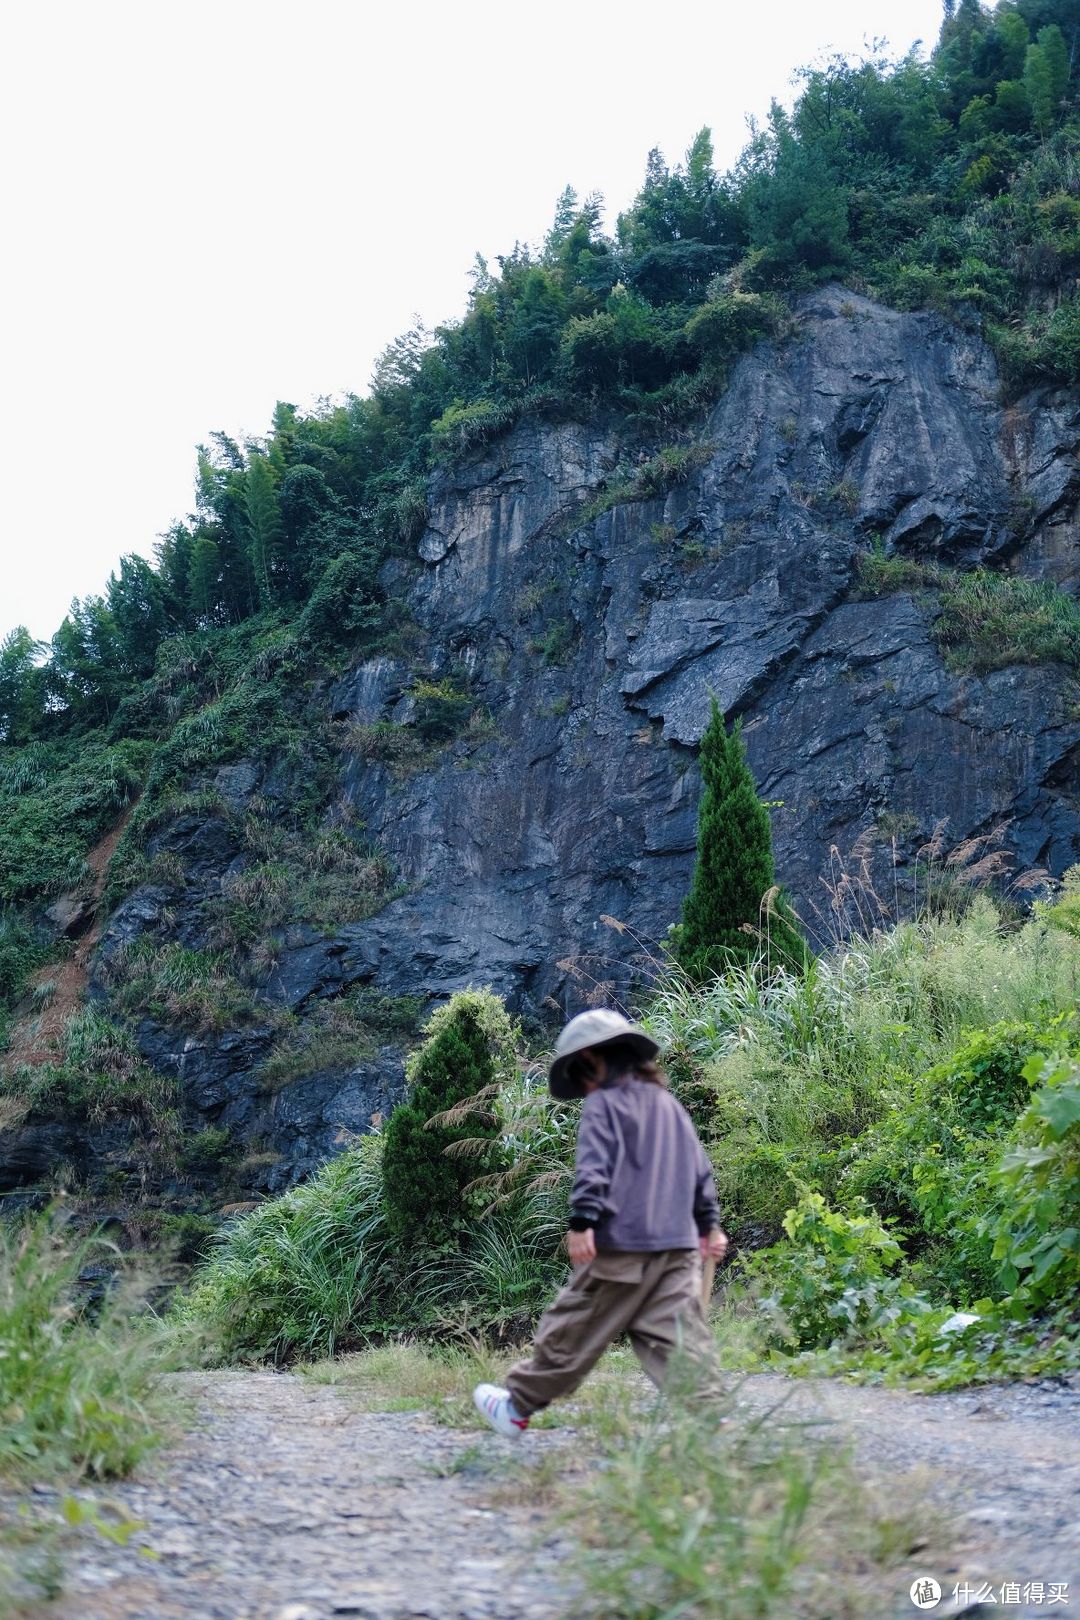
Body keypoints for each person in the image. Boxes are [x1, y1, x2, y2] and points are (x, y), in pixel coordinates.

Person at [473, 1008, 729, 1437]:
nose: (583, 1087)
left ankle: (516, 1406)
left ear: (593, 1059)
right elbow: (699, 1170)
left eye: (580, 1073)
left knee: (575, 1324)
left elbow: (594, 1169)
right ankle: (711, 1416)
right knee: (676, 1336)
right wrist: (709, 1226)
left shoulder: (603, 1104)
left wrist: (582, 1222)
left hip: (621, 1248)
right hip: (677, 1248)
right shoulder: (669, 1105)